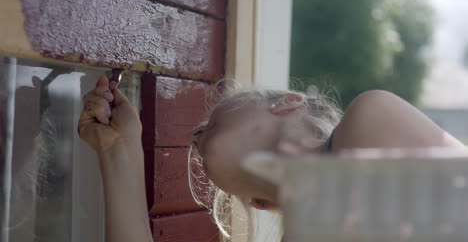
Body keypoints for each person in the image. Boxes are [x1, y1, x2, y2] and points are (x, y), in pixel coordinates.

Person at [78, 75, 466, 242]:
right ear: (264, 204)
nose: (192, 137)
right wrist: (119, 152)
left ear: (287, 103)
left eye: (211, 118)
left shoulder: (374, 114)